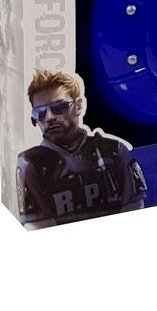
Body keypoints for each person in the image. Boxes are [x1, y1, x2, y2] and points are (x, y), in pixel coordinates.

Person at [17, 70, 146, 228]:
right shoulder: (31, 164)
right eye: (40, 113)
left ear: (78, 106)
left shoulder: (115, 151)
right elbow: (37, 227)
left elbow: (134, 210)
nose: (49, 118)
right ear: (34, 119)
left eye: (59, 107)